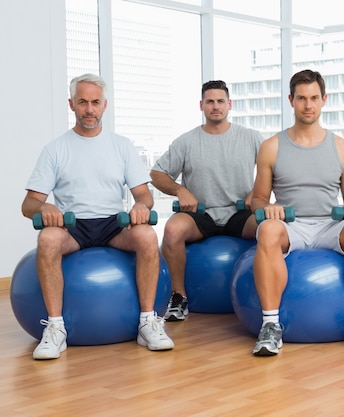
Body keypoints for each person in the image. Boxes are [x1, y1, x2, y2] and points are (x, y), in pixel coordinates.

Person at [21, 73, 174, 360]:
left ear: (104, 105)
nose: (89, 109)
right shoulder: (55, 149)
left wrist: (141, 205)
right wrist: (45, 208)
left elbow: (144, 195)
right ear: (71, 105)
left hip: (112, 224)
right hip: (72, 226)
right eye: (82, 102)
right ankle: (56, 329)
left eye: (95, 102)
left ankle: (147, 322)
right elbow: (28, 204)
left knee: (147, 235)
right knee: (48, 239)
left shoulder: (122, 146)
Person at [250, 69, 344, 356]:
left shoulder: (342, 148)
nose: (308, 105)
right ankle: (271, 326)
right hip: (290, 225)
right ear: (291, 100)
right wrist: (268, 207)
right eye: (301, 98)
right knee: (268, 229)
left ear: (323, 100)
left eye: (313, 98)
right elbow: (258, 199)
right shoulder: (271, 147)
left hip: (329, 225)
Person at [150, 80, 262, 321]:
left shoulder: (251, 138)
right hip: (200, 214)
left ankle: (261, 297)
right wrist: (180, 190)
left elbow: (275, 170)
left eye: (220, 101)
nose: (215, 106)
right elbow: (157, 174)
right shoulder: (187, 141)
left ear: (229, 104)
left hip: (239, 213)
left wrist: (258, 192)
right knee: (171, 230)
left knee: (269, 229)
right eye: (210, 101)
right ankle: (178, 297)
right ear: (201, 105)